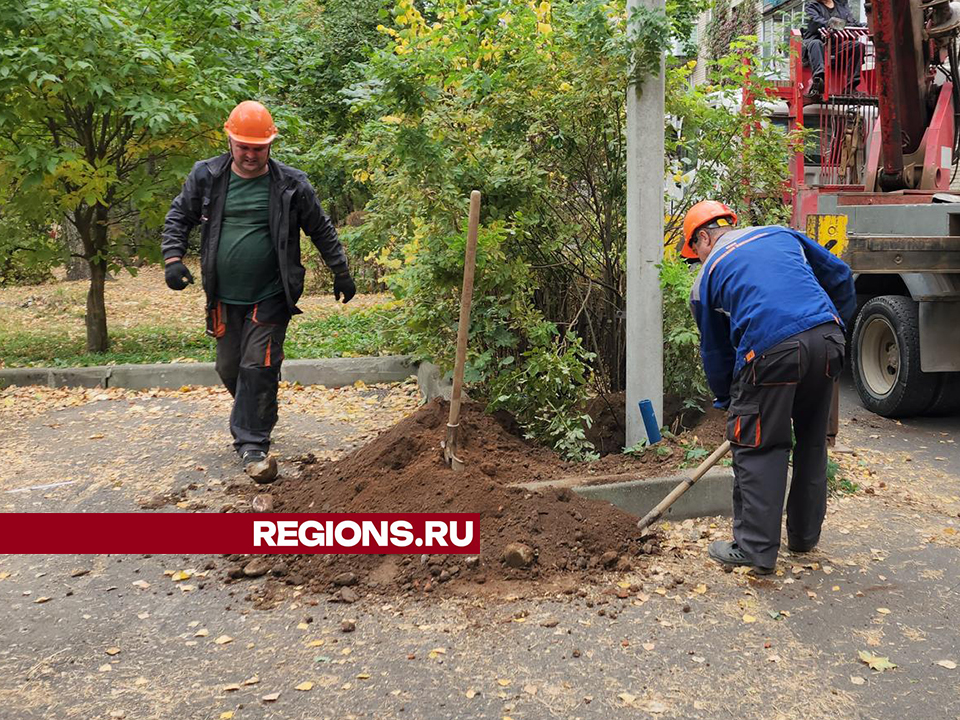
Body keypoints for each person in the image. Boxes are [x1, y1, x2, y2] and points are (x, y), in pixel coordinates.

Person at [161, 100, 356, 484]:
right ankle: (258, 407)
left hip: (271, 292)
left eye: (258, 148)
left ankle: (253, 444)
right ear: (230, 141)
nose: (250, 155)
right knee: (229, 368)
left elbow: (321, 228)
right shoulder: (207, 177)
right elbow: (179, 215)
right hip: (223, 294)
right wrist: (172, 258)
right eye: (243, 147)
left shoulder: (291, 184)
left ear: (270, 146)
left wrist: (341, 271)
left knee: (258, 365)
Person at [680, 201, 855, 574]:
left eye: (693, 253)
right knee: (810, 440)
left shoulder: (708, 275)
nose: (697, 262)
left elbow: (715, 351)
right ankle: (804, 539)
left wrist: (731, 401)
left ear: (703, 238)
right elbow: (839, 275)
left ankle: (755, 549)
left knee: (758, 446)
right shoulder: (779, 233)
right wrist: (831, 325)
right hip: (828, 339)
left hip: (771, 350)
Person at [802, 0, 864, 98]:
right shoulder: (811, 6)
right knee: (816, 44)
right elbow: (816, 21)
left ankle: (851, 87)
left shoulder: (841, 5)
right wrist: (833, 24)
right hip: (818, 43)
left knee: (857, 45)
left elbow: (852, 22)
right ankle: (819, 82)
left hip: (836, 46)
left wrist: (864, 26)